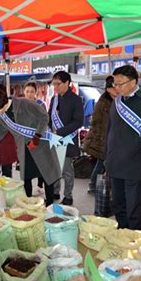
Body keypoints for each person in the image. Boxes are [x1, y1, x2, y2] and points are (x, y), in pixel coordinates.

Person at [0, 87, 61, 206]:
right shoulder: (4, 117)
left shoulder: (24, 103)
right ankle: (29, 206)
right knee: (26, 179)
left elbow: (44, 117)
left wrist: (36, 136)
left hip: (41, 145)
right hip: (25, 149)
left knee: (47, 177)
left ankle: (50, 205)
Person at [105, 65, 141, 231]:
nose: (116, 88)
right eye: (115, 84)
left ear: (133, 82)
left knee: (134, 208)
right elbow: (110, 131)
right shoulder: (116, 103)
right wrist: (106, 157)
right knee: (118, 205)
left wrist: (137, 144)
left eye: (120, 83)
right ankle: (122, 235)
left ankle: (136, 239)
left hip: (134, 162)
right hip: (114, 162)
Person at [48, 71, 84, 206]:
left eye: (57, 84)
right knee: (55, 168)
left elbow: (78, 121)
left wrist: (60, 131)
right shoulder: (54, 99)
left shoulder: (76, 99)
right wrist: (49, 129)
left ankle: (68, 195)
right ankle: (55, 191)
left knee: (67, 170)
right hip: (54, 139)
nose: (55, 87)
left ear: (67, 83)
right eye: (54, 84)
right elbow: (49, 117)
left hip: (68, 138)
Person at [83, 76, 118, 194]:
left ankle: (96, 186)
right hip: (102, 139)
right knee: (101, 164)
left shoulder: (117, 100)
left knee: (102, 164)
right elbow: (95, 122)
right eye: (114, 87)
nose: (116, 89)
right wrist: (100, 137)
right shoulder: (103, 102)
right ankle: (93, 186)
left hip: (110, 138)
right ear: (108, 89)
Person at [23, 79, 46, 194]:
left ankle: (40, 185)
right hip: (24, 142)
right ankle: (28, 196)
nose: (29, 94)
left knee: (39, 167)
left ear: (35, 93)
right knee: (26, 172)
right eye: (27, 91)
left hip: (38, 141)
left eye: (32, 91)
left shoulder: (41, 105)